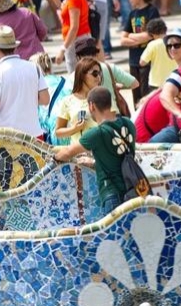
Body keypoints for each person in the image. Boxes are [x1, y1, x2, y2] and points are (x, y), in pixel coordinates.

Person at [54, 86, 136, 214]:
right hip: (133, 191)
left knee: (112, 234)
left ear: (91, 106)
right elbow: (116, 156)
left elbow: (67, 153)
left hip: (112, 195)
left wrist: (53, 158)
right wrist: (93, 162)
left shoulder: (97, 133)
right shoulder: (128, 123)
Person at [0, 26, 50, 138]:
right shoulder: (34, 67)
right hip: (34, 135)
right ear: (14, 47)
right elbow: (45, 99)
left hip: (8, 137)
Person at [135, 28, 181, 143]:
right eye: (169, 46)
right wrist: (149, 97)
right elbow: (167, 87)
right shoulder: (179, 70)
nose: (172, 49)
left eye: (176, 45)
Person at [121, 0, 159, 104]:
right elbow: (122, 40)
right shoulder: (132, 13)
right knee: (135, 96)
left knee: (146, 95)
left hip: (147, 59)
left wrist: (131, 36)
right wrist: (137, 39)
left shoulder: (152, 11)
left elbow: (151, 34)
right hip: (133, 60)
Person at [55, 57, 101, 143]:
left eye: (99, 73)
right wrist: (74, 129)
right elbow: (58, 132)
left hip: (100, 152)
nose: (98, 77)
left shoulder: (102, 97)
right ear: (82, 75)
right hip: (79, 153)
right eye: (95, 73)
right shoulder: (67, 101)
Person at [55, 0, 92, 72]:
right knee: (85, 75)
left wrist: (63, 49)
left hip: (76, 40)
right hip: (82, 37)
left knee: (75, 77)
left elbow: (74, 27)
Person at [31, 52, 71, 146]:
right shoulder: (63, 80)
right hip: (69, 125)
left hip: (55, 129)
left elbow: (40, 117)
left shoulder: (38, 86)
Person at [139, 18, 175, 91]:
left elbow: (142, 62)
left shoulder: (153, 44)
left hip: (156, 83)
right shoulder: (174, 42)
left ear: (152, 33)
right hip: (173, 81)